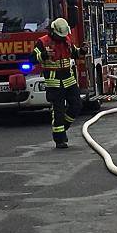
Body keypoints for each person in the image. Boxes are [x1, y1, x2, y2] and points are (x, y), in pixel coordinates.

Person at [32, 18, 87, 148]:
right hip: (54, 82)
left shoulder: (66, 40)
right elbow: (32, 58)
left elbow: (74, 53)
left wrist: (82, 51)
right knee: (58, 110)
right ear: (53, 31)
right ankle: (59, 139)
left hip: (69, 80)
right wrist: (44, 55)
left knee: (77, 105)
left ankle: (64, 127)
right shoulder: (42, 42)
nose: (62, 38)